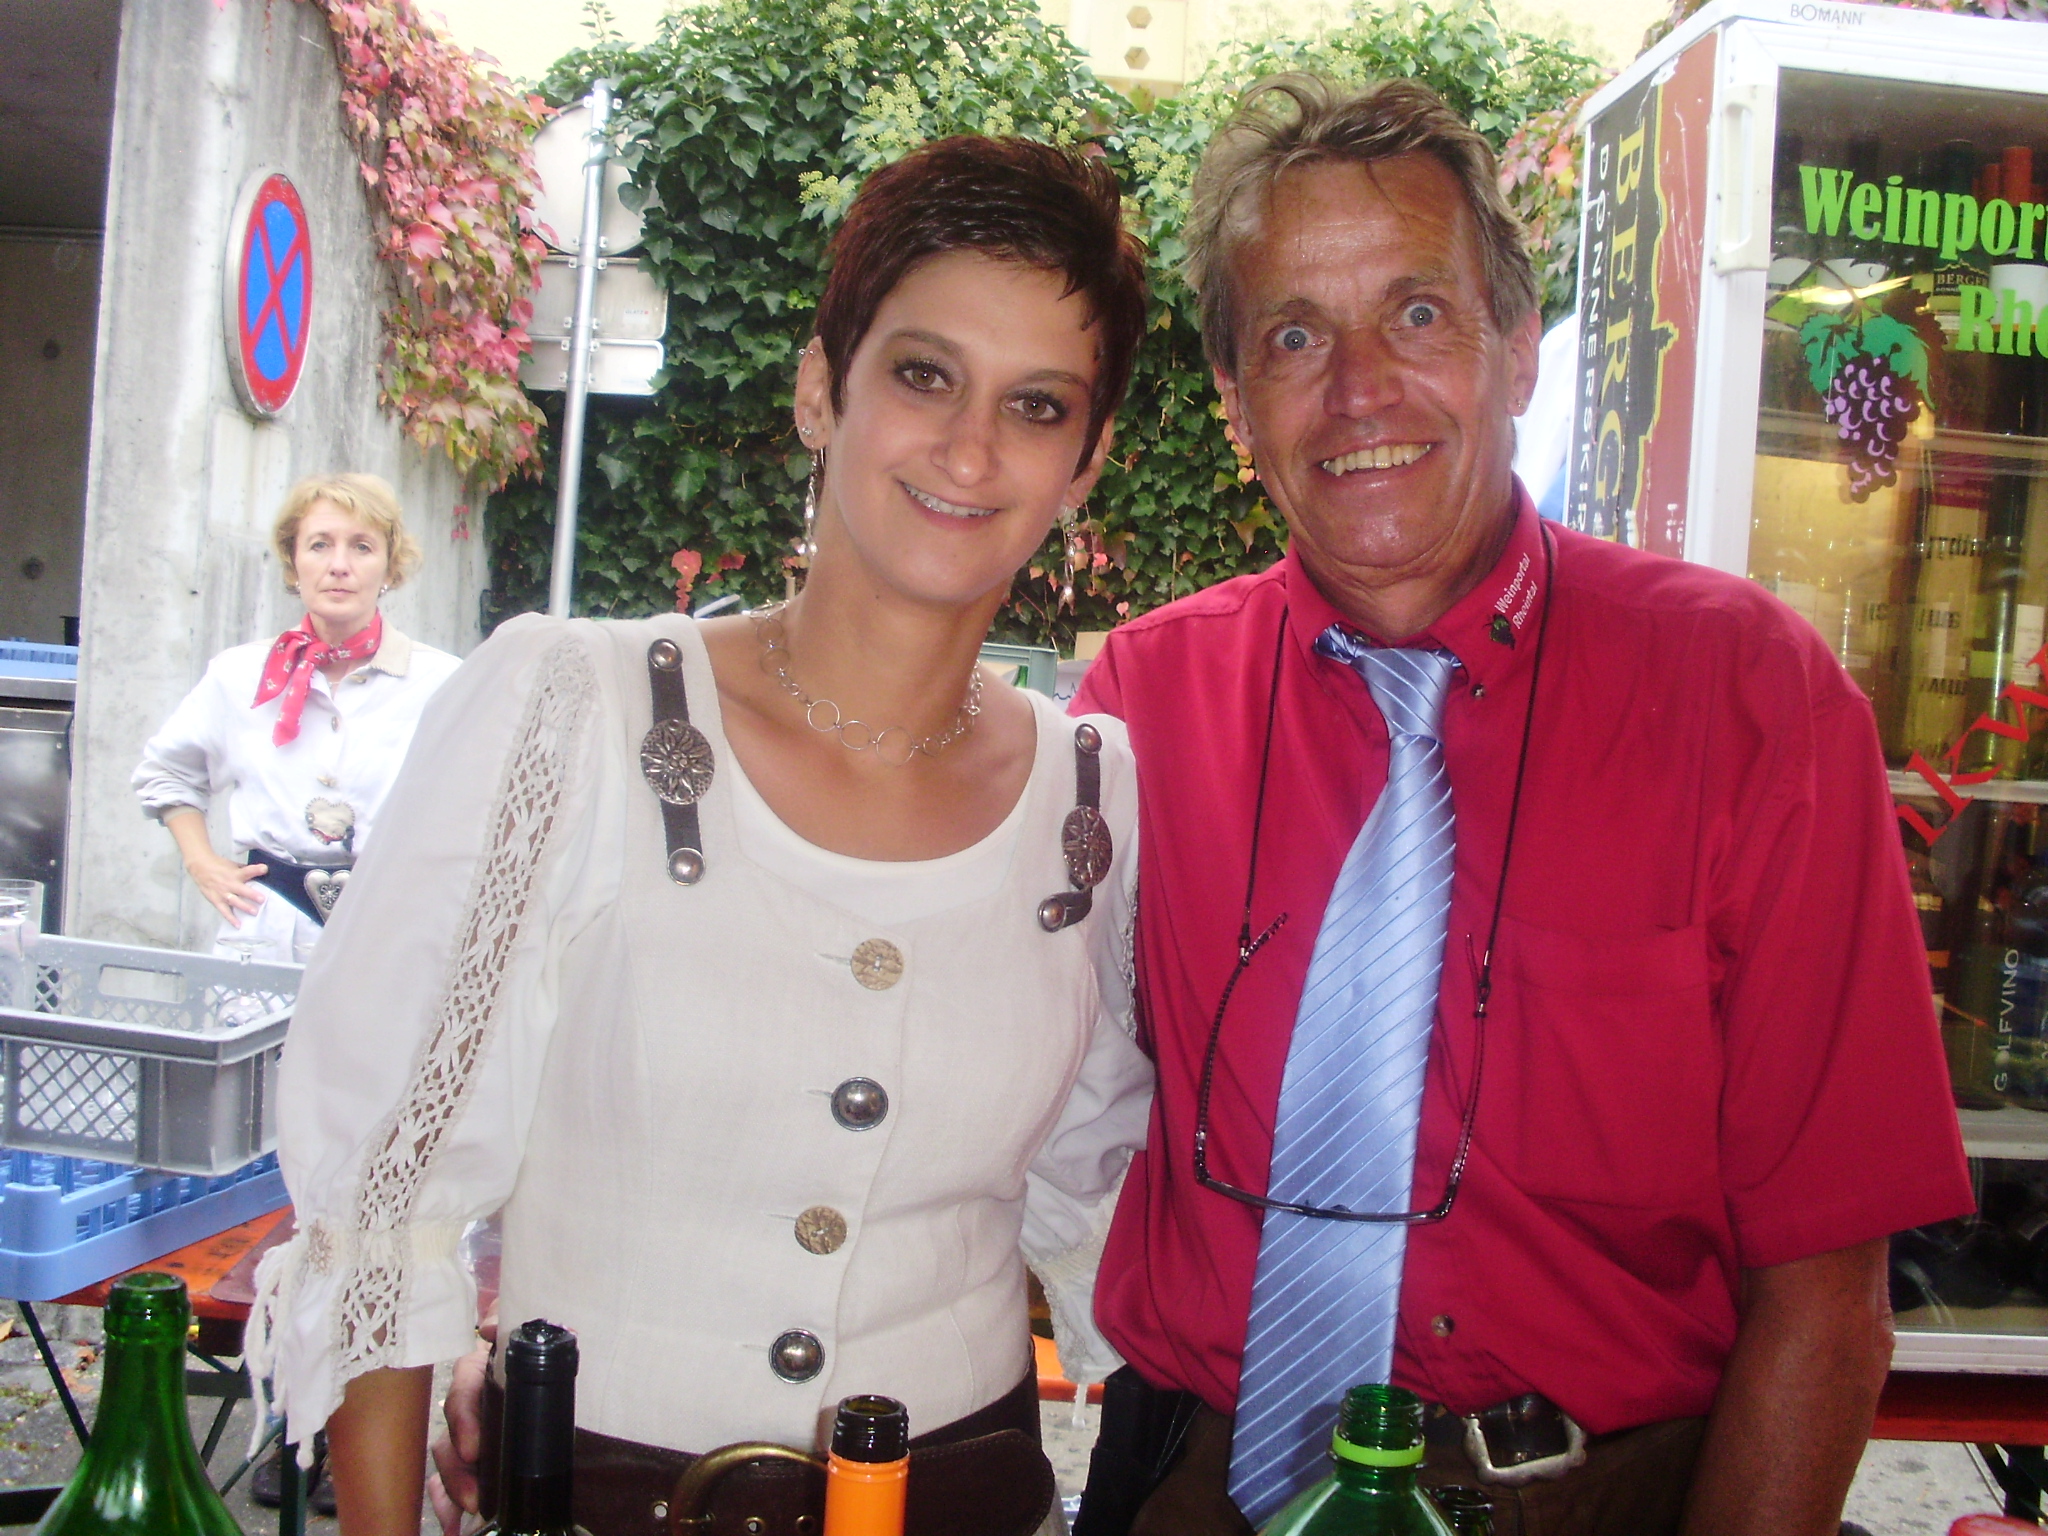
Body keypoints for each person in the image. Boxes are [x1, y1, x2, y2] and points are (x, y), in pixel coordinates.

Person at [1068, 75, 1973, 1536]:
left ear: (1518, 350)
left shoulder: (1749, 703)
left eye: (1418, 314)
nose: (1359, 389)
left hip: (1587, 1499)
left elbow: (1824, 1297)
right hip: (1198, 1485)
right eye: (1294, 336)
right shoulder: (1137, 710)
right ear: (1235, 402)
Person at [247, 134, 1155, 1536]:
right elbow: (389, 1205)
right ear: (820, 389)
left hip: (968, 1496)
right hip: (596, 1493)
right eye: (923, 375)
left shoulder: (1091, 794)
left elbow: (1097, 1186)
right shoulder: (570, 708)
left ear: (1084, 462)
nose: (972, 449)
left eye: (1037, 407)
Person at [132, 473, 459, 964]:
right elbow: (168, 773)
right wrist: (201, 862)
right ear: (293, 561)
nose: (339, 565)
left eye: (362, 547)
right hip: (264, 937)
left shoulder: (443, 683)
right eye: (319, 545)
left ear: (390, 566)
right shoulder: (240, 675)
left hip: (393, 940)